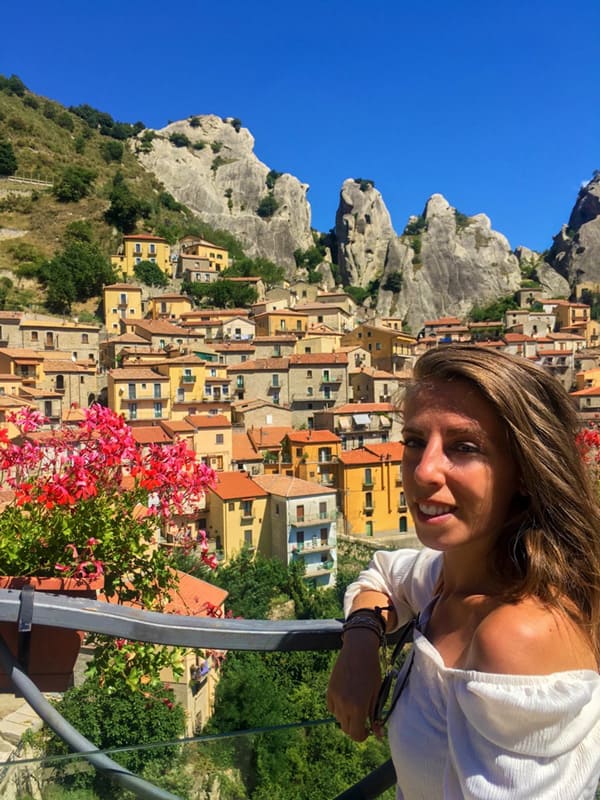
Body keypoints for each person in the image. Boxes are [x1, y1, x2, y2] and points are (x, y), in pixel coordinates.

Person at [327, 344, 600, 799]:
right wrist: (360, 638)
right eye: (415, 441)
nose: (425, 470)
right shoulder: (451, 577)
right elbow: (383, 572)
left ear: (526, 475)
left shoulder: (514, 635)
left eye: (465, 447)